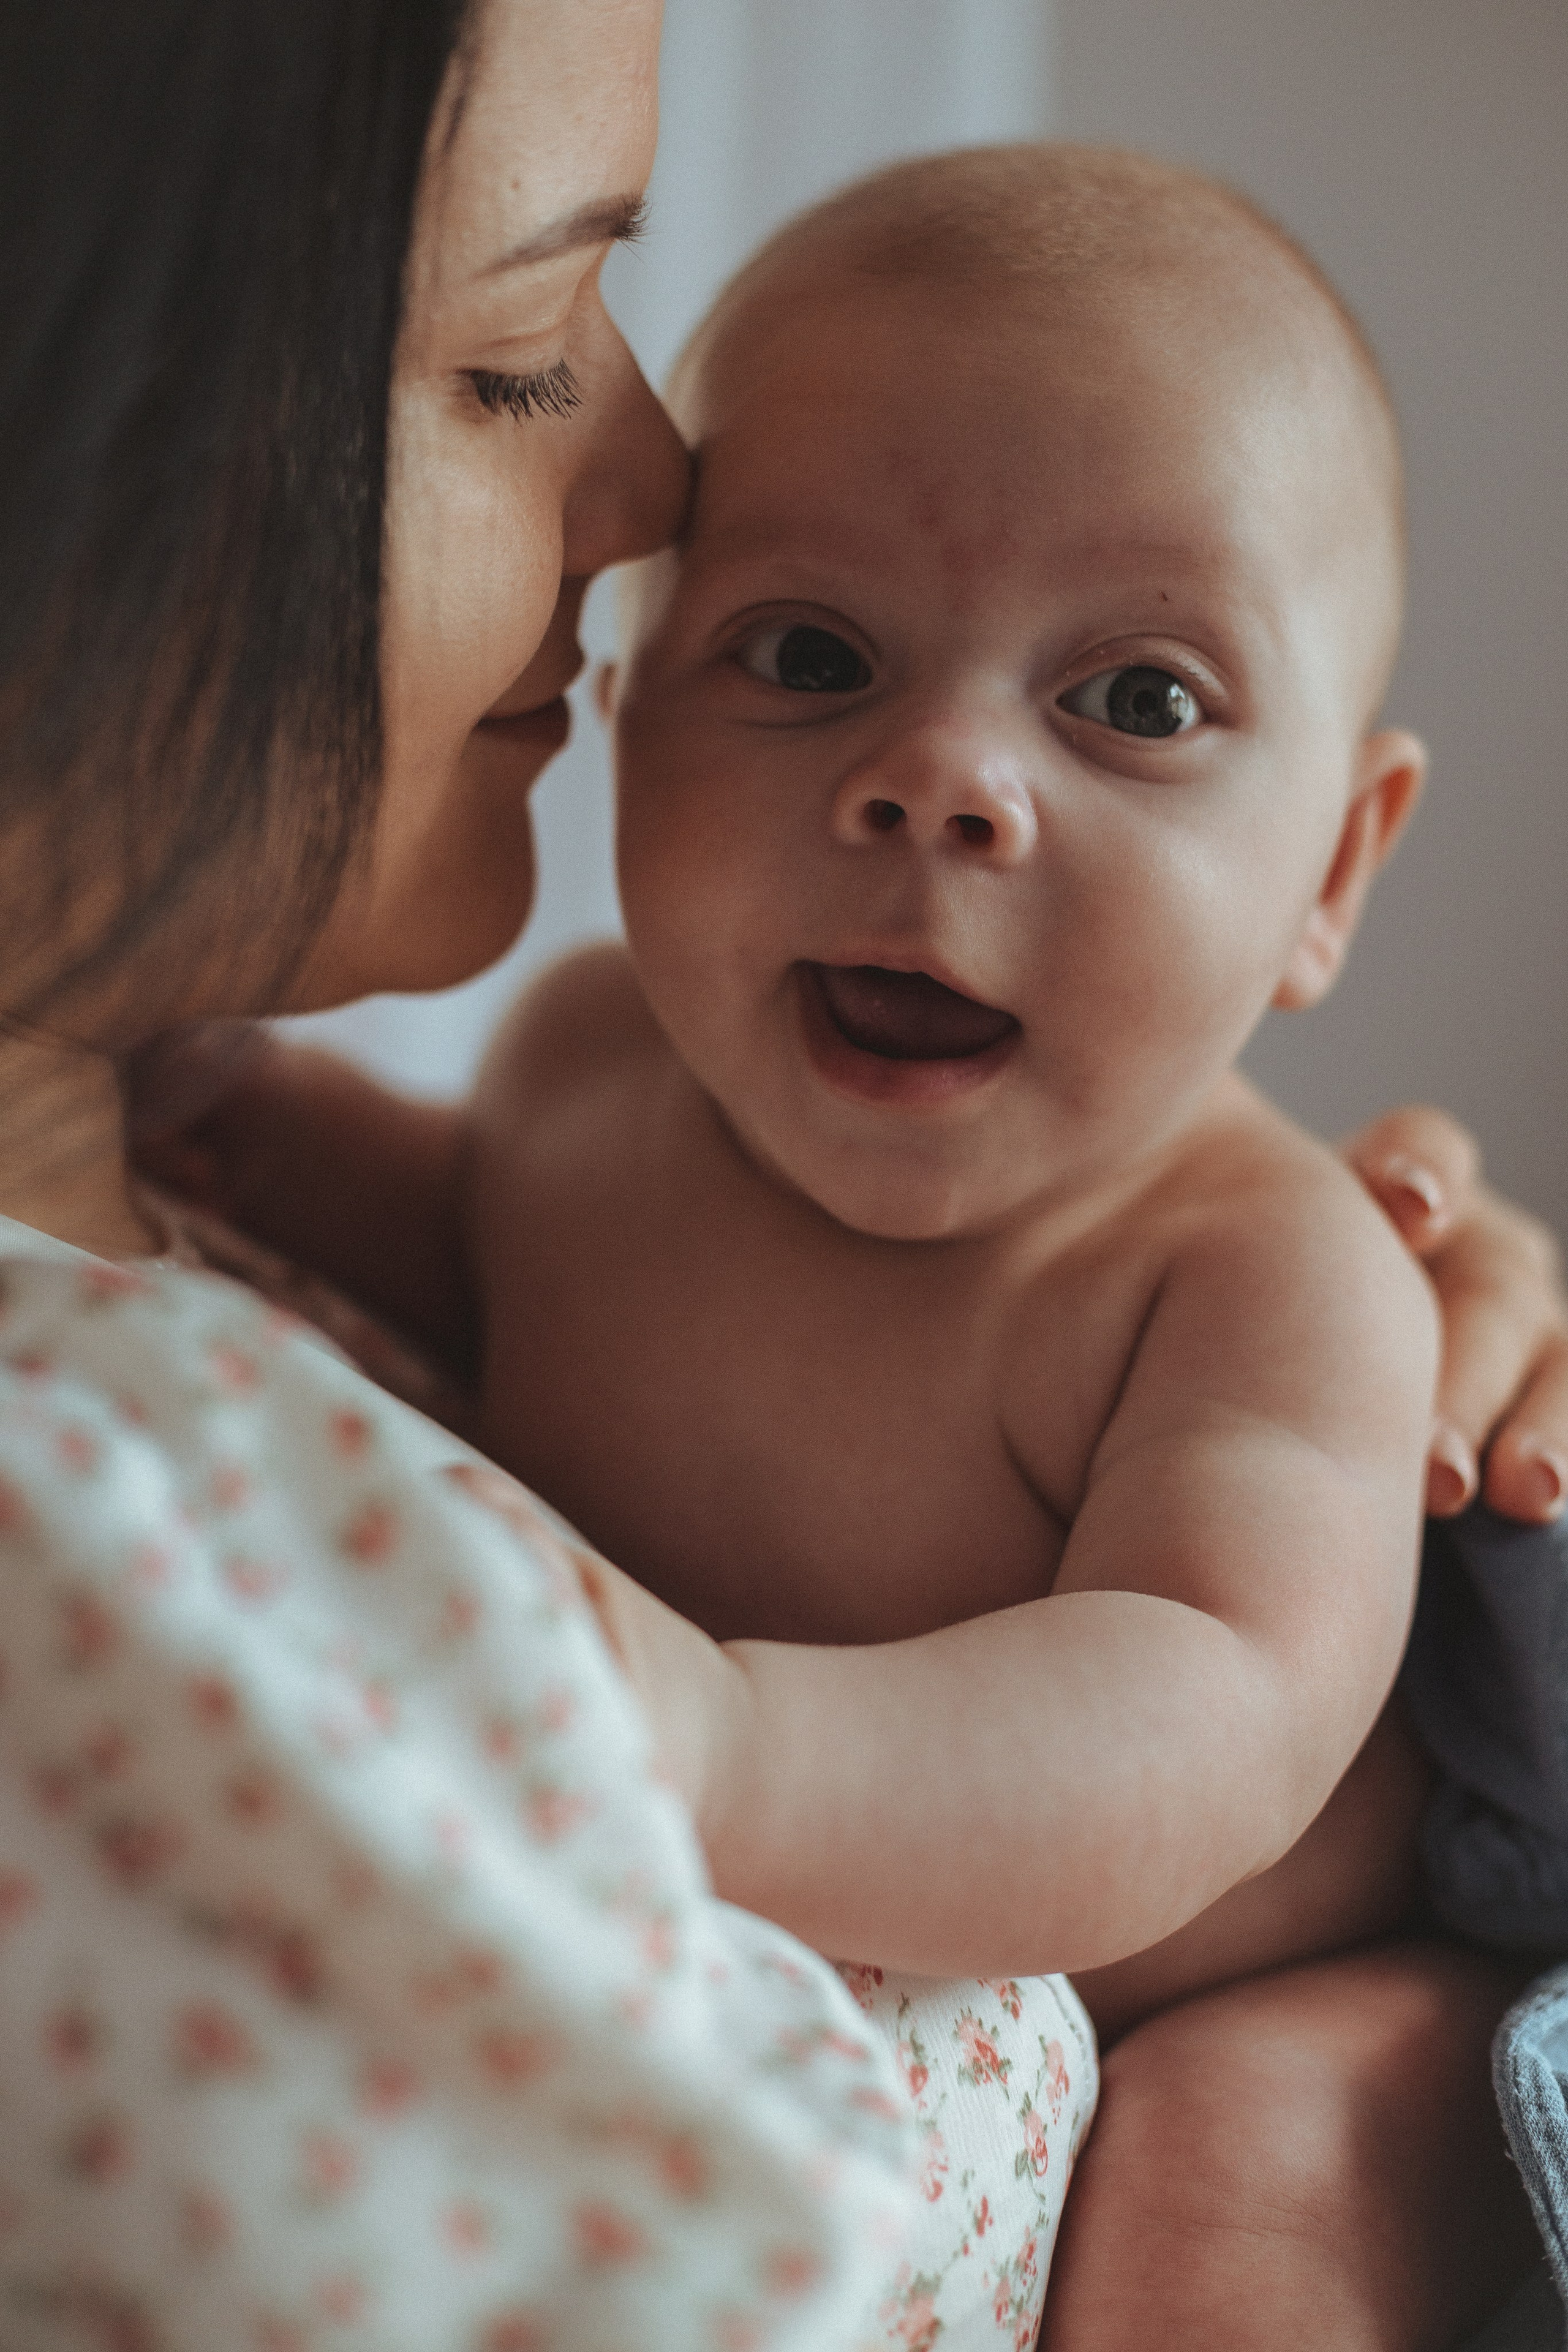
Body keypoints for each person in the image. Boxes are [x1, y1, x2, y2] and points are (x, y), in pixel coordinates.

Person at [2, 4, 1564, 2347]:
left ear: (1334, 868)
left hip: (1190, 2002)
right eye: (810, 650)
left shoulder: (1259, 1278)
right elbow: (474, 1277)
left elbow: (1208, 1710)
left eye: (1136, 700)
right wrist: (257, 1129)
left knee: (1235, 2220)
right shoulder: (583, 1059)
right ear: (634, 704)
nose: (943, 786)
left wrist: (743, 1743)